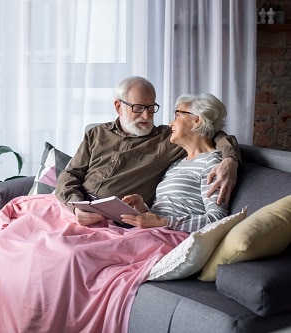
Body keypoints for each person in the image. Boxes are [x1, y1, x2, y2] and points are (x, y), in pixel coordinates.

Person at [55, 76, 240, 227]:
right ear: (119, 107)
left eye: (151, 108)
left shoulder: (168, 139)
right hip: (73, 208)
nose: (146, 115)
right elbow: (70, 174)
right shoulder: (96, 133)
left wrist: (230, 159)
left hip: (113, 222)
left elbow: (213, 134)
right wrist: (74, 208)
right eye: (139, 108)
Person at [122, 93, 229, 232]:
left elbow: (218, 219)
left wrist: (163, 222)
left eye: (177, 115)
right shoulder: (176, 164)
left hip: (171, 237)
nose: (170, 123)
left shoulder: (212, 162)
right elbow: (163, 214)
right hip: (151, 233)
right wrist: (142, 208)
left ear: (197, 120)